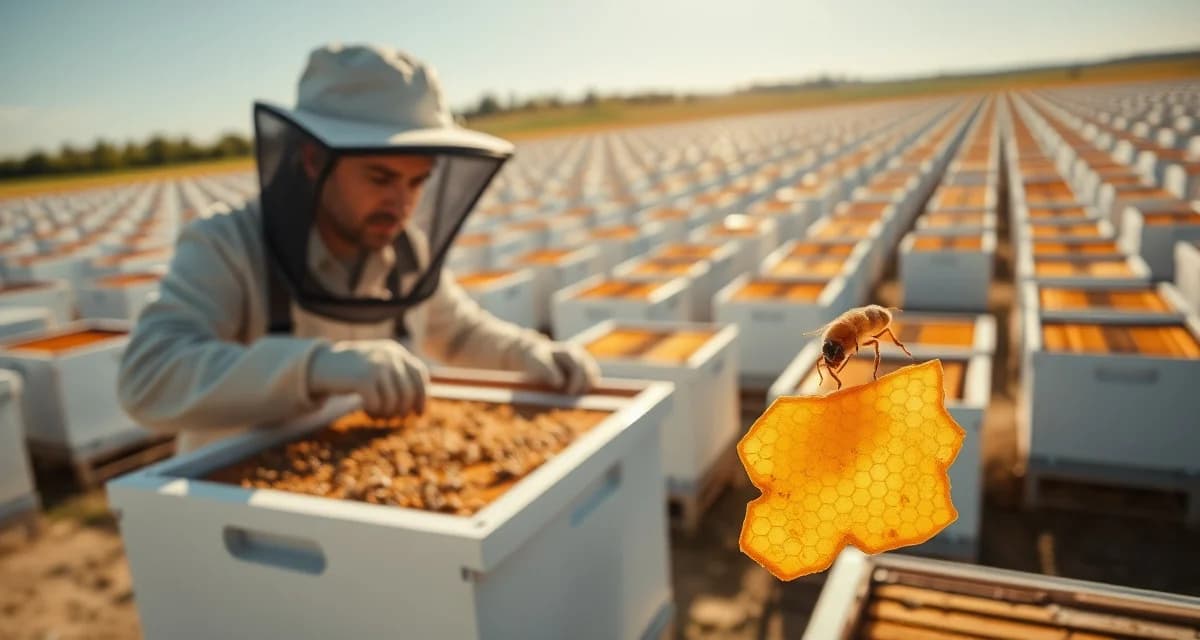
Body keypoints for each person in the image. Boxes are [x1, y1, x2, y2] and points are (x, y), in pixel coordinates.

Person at [117, 43, 599, 453]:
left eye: (417, 182)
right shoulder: (226, 245)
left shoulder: (406, 250)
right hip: (239, 512)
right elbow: (149, 376)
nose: (402, 202)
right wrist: (315, 367)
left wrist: (529, 352)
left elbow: (457, 333)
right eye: (380, 177)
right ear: (312, 160)